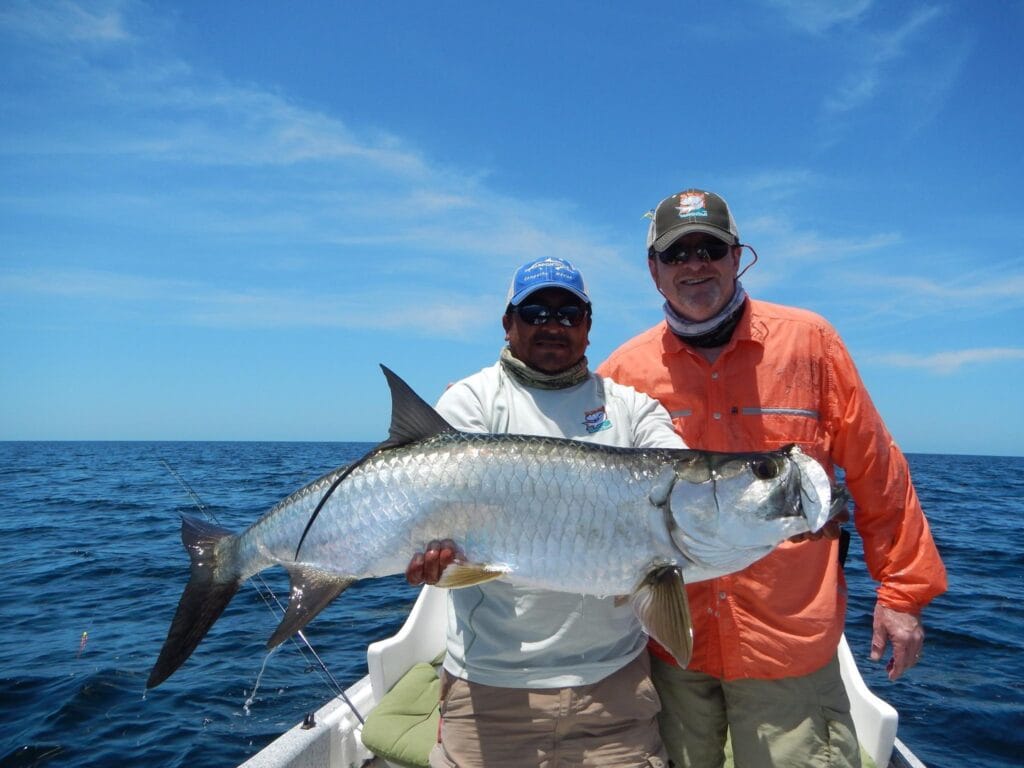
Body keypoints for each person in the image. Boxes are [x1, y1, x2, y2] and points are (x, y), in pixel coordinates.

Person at [598, 188, 948, 768]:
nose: (695, 265)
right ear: (653, 270)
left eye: (710, 248)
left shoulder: (811, 343)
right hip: (670, 647)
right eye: (677, 253)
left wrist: (903, 595)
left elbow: (878, 473)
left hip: (786, 646)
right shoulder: (623, 372)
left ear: (738, 257)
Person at [405, 256, 684, 768]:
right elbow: (430, 509)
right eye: (535, 312)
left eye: (568, 314)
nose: (552, 325)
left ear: (588, 327)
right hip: (490, 693)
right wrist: (435, 566)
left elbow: (679, 479)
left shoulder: (633, 409)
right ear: (508, 324)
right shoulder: (472, 402)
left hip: (613, 690)